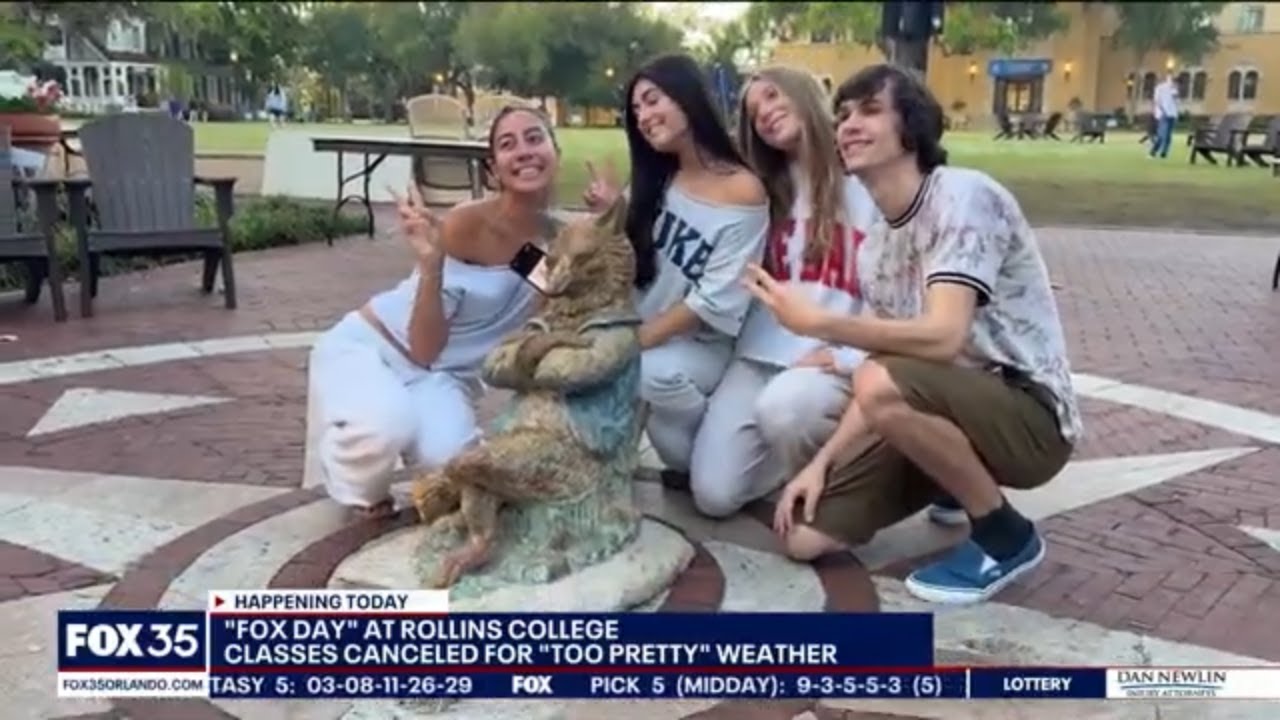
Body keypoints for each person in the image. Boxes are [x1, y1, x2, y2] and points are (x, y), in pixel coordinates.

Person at [746, 63, 1081, 605]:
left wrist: (819, 322)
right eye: (844, 115)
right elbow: (885, 372)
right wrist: (821, 463)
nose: (850, 125)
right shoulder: (878, 246)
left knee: (877, 378)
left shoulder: (963, 196)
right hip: (945, 407)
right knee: (804, 538)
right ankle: (949, 477)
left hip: (1031, 416)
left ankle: (1006, 537)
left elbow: (943, 338)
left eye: (870, 111)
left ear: (912, 127)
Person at [308, 106, 562, 517]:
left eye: (535, 138)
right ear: (493, 167)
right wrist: (431, 265)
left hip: (442, 378)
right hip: (376, 348)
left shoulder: (554, 242)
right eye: (507, 144)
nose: (524, 152)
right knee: (385, 427)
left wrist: (607, 220)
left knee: (459, 471)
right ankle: (351, 467)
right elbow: (424, 348)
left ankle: (401, 430)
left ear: (555, 149)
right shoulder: (468, 224)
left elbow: (551, 316)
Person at [686, 66, 877, 517]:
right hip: (760, 354)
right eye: (754, 112)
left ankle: (844, 473)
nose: (766, 113)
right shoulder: (763, 190)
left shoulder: (868, 179)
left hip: (832, 358)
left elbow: (901, 296)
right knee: (713, 496)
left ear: (804, 91)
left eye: (773, 96)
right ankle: (787, 453)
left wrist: (849, 356)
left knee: (787, 408)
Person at [582, 53, 768, 480]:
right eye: (635, 111)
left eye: (652, 100)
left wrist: (629, 345)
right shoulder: (658, 177)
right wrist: (617, 212)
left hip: (697, 347)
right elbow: (634, 258)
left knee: (648, 374)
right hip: (642, 331)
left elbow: (710, 301)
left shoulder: (742, 190)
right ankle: (708, 453)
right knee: (685, 469)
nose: (644, 117)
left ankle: (729, 435)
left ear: (688, 97)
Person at [1150, 74, 1179, 159]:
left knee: (1168, 135)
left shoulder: (1174, 88)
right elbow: (1157, 101)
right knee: (1162, 134)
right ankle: (1154, 151)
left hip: (1172, 114)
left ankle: (1164, 152)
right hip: (1164, 114)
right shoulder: (1160, 88)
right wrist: (1160, 111)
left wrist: (1174, 89)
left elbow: (1176, 100)